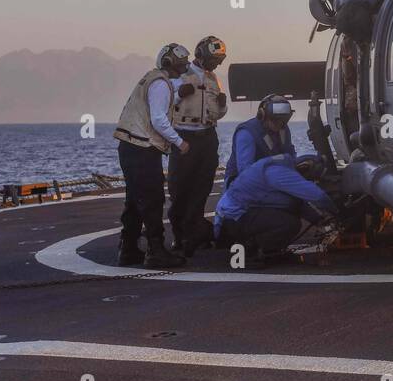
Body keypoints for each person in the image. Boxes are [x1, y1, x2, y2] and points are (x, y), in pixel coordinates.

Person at [112, 44, 189, 268]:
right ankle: (156, 251)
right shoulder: (161, 84)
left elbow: (157, 107)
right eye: (181, 65)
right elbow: (158, 118)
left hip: (131, 145)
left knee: (136, 199)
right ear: (170, 64)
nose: (182, 69)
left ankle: (128, 249)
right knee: (153, 199)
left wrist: (178, 97)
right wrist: (179, 141)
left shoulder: (154, 79)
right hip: (142, 148)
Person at [166, 35, 229, 256]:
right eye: (212, 60)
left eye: (217, 61)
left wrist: (222, 107)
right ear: (201, 54)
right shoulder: (180, 75)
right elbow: (164, 100)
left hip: (207, 136)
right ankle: (179, 236)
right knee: (179, 187)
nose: (214, 65)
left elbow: (217, 112)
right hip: (184, 135)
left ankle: (195, 234)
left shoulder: (213, 80)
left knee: (202, 187)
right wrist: (178, 95)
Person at [214, 153, 339, 263]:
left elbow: (297, 203)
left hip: (237, 215)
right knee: (289, 223)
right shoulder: (279, 172)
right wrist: (338, 211)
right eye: (310, 178)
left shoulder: (281, 168)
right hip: (232, 219)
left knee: (289, 214)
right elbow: (318, 196)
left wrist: (319, 220)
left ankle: (271, 250)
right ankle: (248, 250)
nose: (308, 182)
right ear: (304, 168)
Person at [223, 94, 297, 191]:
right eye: (275, 119)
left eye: (284, 119)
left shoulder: (283, 130)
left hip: (271, 178)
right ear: (262, 115)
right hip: (240, 186)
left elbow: (289, 154)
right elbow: (245, 173)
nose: (280, 123)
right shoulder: (247, 133)